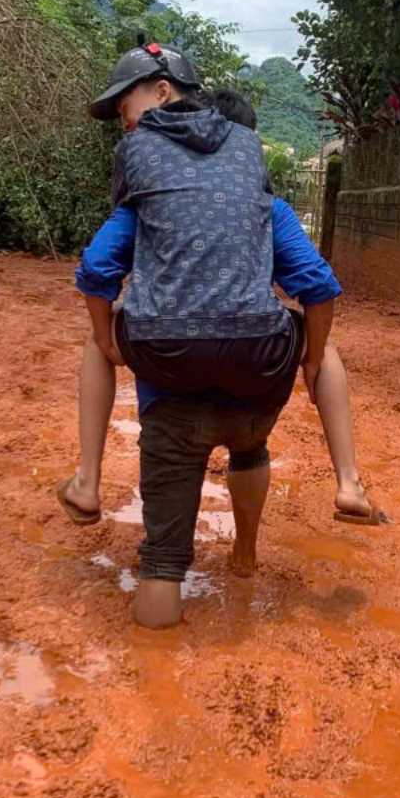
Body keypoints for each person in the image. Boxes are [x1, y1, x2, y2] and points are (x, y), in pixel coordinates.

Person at [60, 44, 381, 627]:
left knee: (160, 567)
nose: (121, 121)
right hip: (257, 377)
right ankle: (272, 535)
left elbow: (96, 273)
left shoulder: (140, 174)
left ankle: (87, 481)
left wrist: (110, 341)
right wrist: (307, 359)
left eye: (123, 105)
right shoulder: (260, 190)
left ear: (161, 91)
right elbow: (318, 286)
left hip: (169, 377)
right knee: (256, 436)